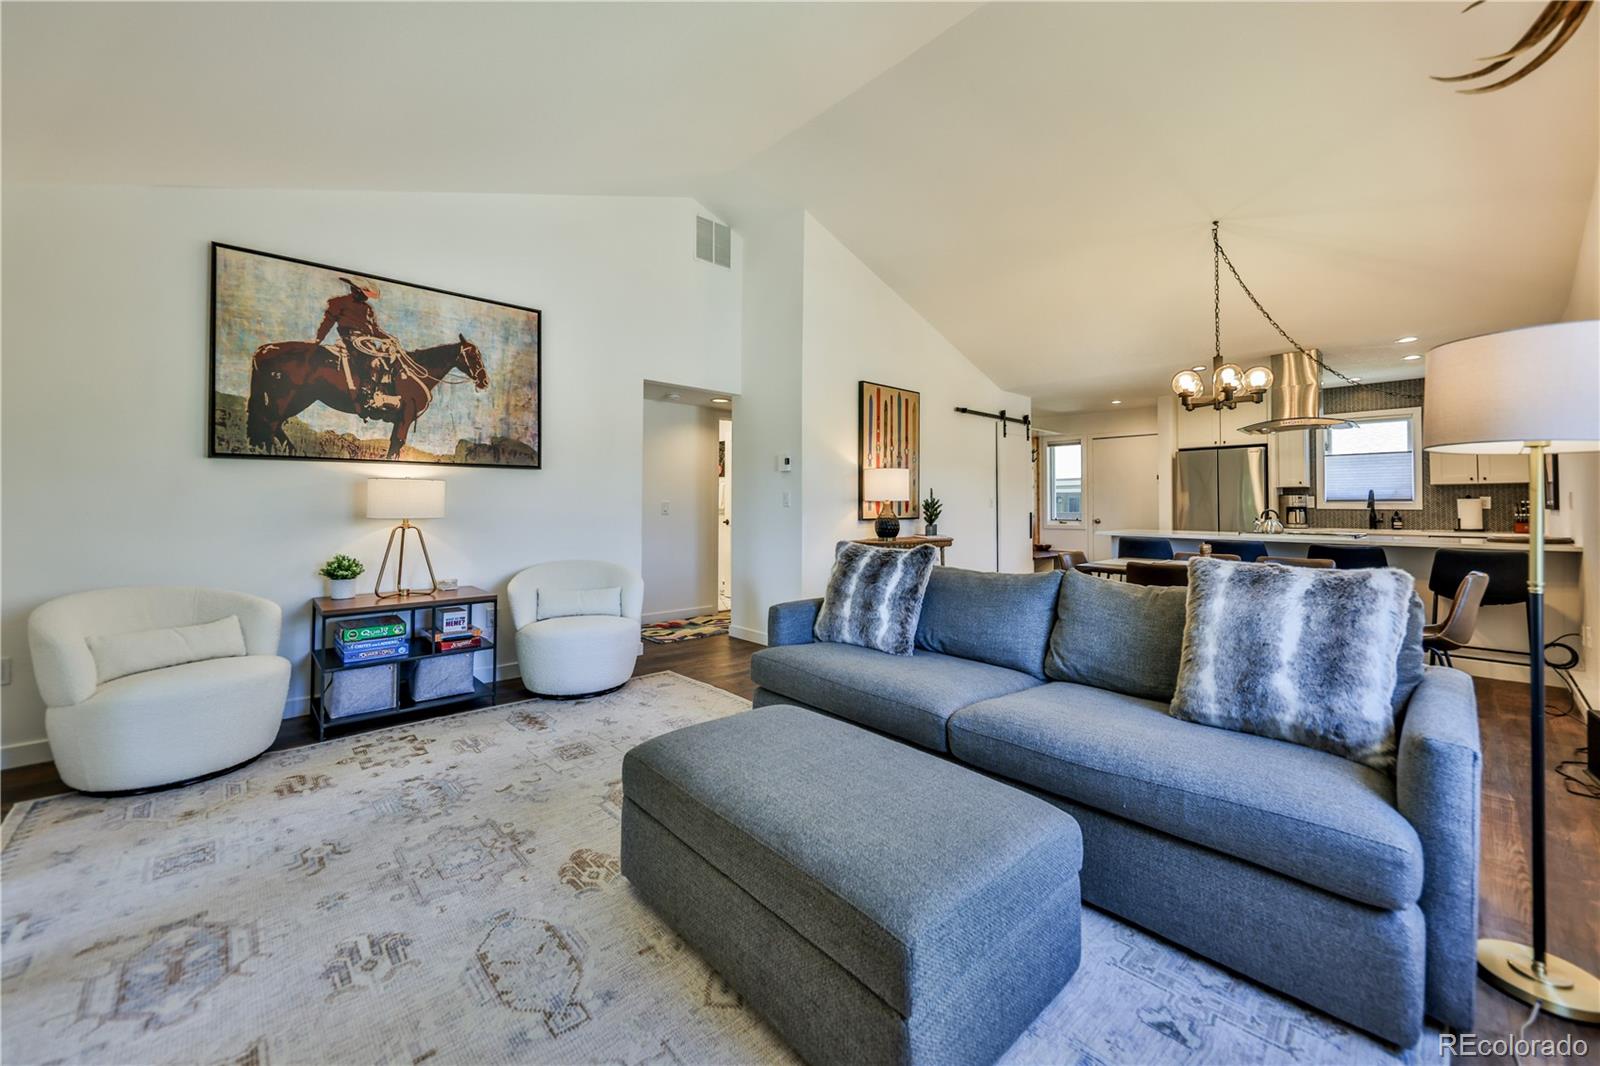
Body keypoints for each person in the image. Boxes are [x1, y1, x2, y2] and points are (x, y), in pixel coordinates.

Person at [315, 277, 405, 414]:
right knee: (374, 361)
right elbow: (328, 322)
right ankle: (367, 393)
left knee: (389, 356)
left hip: (367, 340)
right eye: (363, 293)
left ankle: (381, 392)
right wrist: (317, 340)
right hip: (351, 339)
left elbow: (375, 330)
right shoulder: (339, 302)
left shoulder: (368, 309)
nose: (365, 297)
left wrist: (390, 338)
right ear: (355, 291)